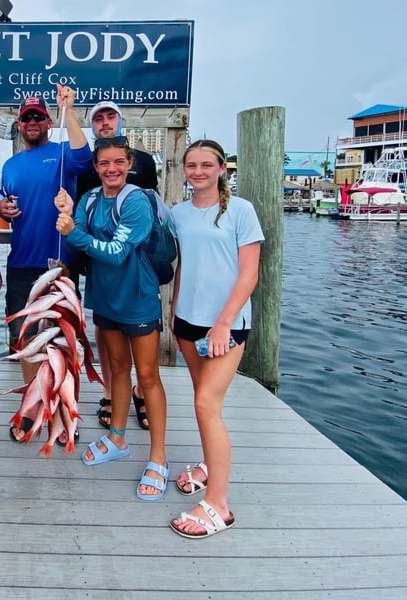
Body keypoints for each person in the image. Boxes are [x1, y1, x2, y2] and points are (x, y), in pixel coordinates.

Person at [55, 136, 169, 501]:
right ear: (96, 167)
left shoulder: (135, 201)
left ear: (129, 162)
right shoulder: (89, 200)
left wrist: (75, 232)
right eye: (104, 163)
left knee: (148, 377)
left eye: (118, 162)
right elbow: (79, 241)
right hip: (104, 299)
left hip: (137, 301)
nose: (111, 169)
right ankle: (117, 437)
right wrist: (70, 220)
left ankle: (158, 456)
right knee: (117, 369)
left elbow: (117, 252)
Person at [168, 139, 264, 538]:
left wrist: (223, 323)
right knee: (202, 401)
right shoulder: (177, 214)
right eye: (191, 165)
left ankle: (218, 505)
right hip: (188, 321)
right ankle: (209, 465)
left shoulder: (240, 211)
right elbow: (181, 265)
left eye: (207, 165)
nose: (198, 171)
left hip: (226, 326)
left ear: (222, 168)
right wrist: (173, 316)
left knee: (207, 404)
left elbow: (249, 274)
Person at [0, 84, 93, 443]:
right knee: (26, 342)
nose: (33, 122)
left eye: (39, 116)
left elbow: (86, 158)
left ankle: (68, 413)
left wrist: (69, 109)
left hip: (59, 265)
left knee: (65, 344)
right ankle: (31, 408)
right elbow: (6, 202)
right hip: (22, 264)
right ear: (20, 125)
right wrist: (0, 208)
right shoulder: (9, 165)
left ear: (48, 121)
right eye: (27, 118)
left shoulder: (66, 153)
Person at [75, 101, 159, 433]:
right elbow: (80, 221)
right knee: (113, 351)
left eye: (111, 116)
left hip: (135, 275)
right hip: (101, 276)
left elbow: (144, 216)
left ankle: (142, 396)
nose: (112, 169)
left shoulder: (143, 173)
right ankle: (112, 396)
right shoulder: (86, 177)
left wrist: (75, 234)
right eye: (99, 118)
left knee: (145, 363)